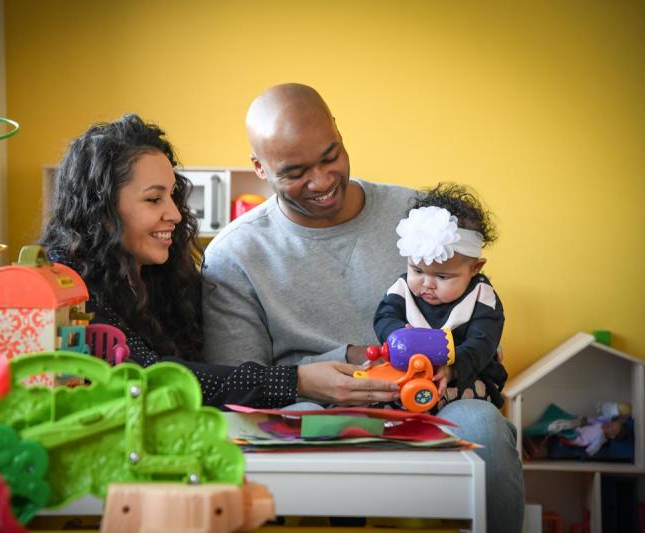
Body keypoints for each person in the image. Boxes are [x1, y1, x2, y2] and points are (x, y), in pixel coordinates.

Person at [201, 84, 524, 532]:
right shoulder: (234, 254)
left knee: (482, 423)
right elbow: (240, 379)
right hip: (307, 404)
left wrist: (470, 353)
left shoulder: (418, 216)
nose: (321, 181)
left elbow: (469, 294)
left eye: (330, 156)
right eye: (295, 171)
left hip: (430, 401)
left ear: (337, 130)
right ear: (259, 168)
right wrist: (338, 365)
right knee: (288, 433)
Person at [40, 113, 395, 409]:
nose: (175, 215)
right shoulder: (66, 284)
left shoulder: (160, 277)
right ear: (102, 210)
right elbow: (147, 376)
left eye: (172, 197)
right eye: (153, 200)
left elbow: (209, 370)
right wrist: (298, 381)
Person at [373, 183, 508, 412]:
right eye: (417, 270)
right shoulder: (402, 287)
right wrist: (398, 335)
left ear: (475, 268)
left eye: (443, 276)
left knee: (471, 397)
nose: (427, 283)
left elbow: (482, 344)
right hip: (409, 371)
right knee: (378, 394)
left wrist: (452, 369)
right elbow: (384, 316)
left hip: (465, 374)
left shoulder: (482, 297)